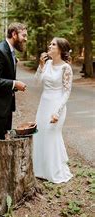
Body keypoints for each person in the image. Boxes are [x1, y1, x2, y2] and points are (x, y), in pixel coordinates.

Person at [32, 38, 73, 183]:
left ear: (60, 50)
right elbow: (36, 83)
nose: (49, 46)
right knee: (40, 134)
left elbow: (66, 92)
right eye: (49, 43)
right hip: (44, 104)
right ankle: (40, 170)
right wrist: (40, 66)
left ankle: (54, 171)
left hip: (57, 105)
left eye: (53, 44)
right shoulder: (47, 63)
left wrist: (57, 112)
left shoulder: (66, 68)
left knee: (51, 134)